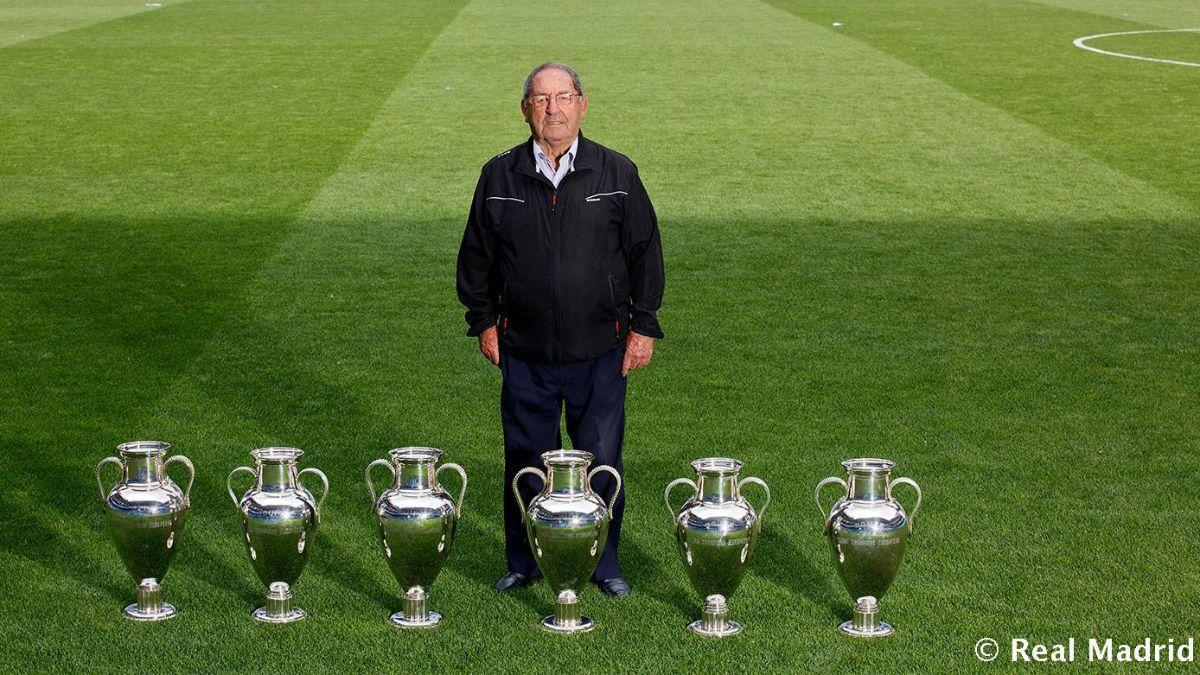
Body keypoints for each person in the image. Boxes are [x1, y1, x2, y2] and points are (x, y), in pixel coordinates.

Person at [456, 62, 665, 598]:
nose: (553, 108)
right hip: (523, 350)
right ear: (526, 109)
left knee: (601, 461)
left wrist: (642, 327)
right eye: (542, 99)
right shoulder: (497, 175)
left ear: (582, 104)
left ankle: (603, 564)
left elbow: (646, 254)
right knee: (525, 460)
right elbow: (475, 258)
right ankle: (523, 561)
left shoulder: (617, 173)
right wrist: (482, 322)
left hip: (601, 349)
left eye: (564, 97)